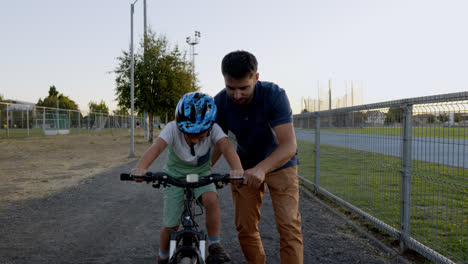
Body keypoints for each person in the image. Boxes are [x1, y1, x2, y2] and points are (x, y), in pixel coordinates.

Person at [212, 50, 303, 264]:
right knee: (245, 227)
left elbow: (289, 144)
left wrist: (262, 169)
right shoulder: (219, 102)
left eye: (244, 88)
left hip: (281, 163)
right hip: (244, 166)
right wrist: (203, 168)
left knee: (289, 226)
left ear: (256, 78)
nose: (236, 95)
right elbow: (219, 142)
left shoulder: (274, 95)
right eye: (230, 88)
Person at [131, 92, 244, 264]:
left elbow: (227, 148)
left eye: (201, 135)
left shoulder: (214, 129)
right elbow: (156, 147)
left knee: (211, 199)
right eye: (189, 135)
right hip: (174, 174)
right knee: (171, 225)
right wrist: (141, 168)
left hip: (202, 173)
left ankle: (214, 243)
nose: (196, 140)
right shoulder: (171, 128)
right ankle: (163, 255)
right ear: (180, 125)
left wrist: (237, 169)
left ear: (210, 126)